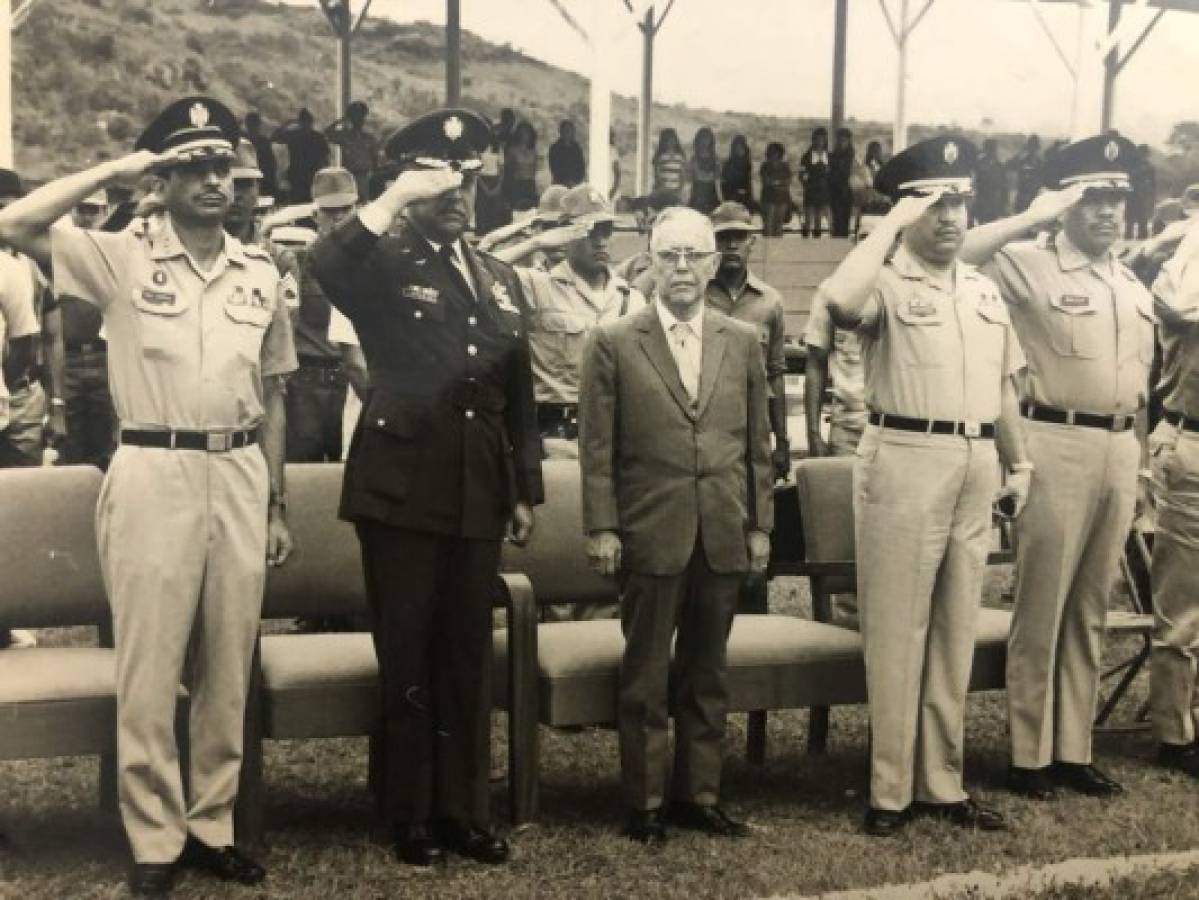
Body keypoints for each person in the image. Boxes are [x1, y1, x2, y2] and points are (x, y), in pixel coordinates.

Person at [0, 96, 296, 897]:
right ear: (161, 178)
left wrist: (274, 503)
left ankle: (211, 824)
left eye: (220, 164)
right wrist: (119, 170)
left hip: (236, 472)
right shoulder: (123, 257)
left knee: (228, 661)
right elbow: (14, 223)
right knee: (151, 661)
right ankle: (155, 837)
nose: (210, 179)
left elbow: (273, 392)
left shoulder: (262, 270)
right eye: (188, 165)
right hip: (152, 467)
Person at [308, 107, 543, 868]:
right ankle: (408, 814)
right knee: (406, 654)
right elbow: (326, 265)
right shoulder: (382, 257)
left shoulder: (499, 277)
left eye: (467, 179)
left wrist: (522, 487)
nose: (456, 193)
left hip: (477, 486)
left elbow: (518, 395)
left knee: (465, 655)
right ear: (408, 182)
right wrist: (391, 203)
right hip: (403, 489)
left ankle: (463, 811)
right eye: (439, 179)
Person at [823, 135, 1031, 837]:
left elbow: (1002, 388)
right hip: (905, 454)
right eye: (933, 204)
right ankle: (889, 791)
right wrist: (885, 226)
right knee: (895, 626)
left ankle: (942, 784)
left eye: (959, 203)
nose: (950, 218)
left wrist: (1019, 463)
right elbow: (838, 302)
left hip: (974, 463)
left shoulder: (980, 287)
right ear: (908, 212)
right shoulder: (883, 278)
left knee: (952, 629)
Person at [961, 135, 1151, 803]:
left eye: (1116, 199)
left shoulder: (1126, 278)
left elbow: (1138, 380)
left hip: (1119, 448)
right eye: (1092, 199)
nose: (1107, 213)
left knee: (1090, 606)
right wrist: (1031, 215)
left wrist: (1140, 454)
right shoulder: (1026, 263)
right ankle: (1026, 754)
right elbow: (959, 254)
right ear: (1066, 203)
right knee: (1042, 603)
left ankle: (1072, 749)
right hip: (1052, 441)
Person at [579, 206, 773, 846]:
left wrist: (759, 526)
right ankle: (646, 802)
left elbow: (757, 447)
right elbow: (598, 448)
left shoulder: (741, 340)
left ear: (715, 263)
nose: (683, 268)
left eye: (695, 255)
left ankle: (701, 796)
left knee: (708, 671)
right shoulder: (613, 342)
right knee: (646, 675)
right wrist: (603, 528)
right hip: (649, 531)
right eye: (670, 256)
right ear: (650, 263)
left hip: (721, 528)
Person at [499, 183, 645, 459]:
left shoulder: (631, 299)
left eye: (606, 231)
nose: (600, 241)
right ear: (565, 236)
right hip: (553, 440)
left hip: (614, 442)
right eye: (589, 231)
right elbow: (476, 270)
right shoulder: (538, 287)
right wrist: (536, 242)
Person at [1147, 219, 1199, 778]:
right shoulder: (1183, 266)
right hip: (1191, 438)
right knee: (1184, 601)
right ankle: (1174, 733)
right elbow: (1182, 308)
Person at [284, 166, 360, 465]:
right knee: (306, 478)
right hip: (308, 385)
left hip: (354, 383)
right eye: (330, 211)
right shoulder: (299, 263)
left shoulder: (374, 261)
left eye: (346, 209)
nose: (339, 217)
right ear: (315, 215)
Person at [58, 189, 118, 470]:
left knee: (106, 443)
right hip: (67, 358)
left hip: (105, 356)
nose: (86, 217)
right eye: (81, 209)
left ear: (105, 213)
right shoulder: (56, 252)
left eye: (93, 210)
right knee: (70, 445)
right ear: (72, 212)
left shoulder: (116, 251)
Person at [272, 108, 330, 203]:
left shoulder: (295, 135)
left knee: (308, 203)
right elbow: (274, 138)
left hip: (308, 175)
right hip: (300, 175)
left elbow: (325, 158)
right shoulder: (297, 135)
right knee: (303, 203)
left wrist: (287, 124)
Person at [325, 100, 380, 202]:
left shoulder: (368, 138)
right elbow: (327, 133)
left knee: (365, 205)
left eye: (360, 117)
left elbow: (374, 158)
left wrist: (374, 175)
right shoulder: (344, 136)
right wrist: (342, 120)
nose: (359, 120)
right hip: (348, 175)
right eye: (355, 117)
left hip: (364, 176)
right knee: (348, 202)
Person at [800, 127, 832, 238]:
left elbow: (831, 175)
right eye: (817, 139)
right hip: (811, 192)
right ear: (813, 140)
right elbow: (802, 175)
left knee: (819, 220)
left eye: (822, 139)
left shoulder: (829, 156)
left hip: (824, 192)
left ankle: (816, 245)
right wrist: (807, 184)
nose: (820, 142)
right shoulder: (806, 157)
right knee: (808, 220)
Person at [758, 142, 793, 238]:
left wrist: (775, 183)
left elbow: (788, 181)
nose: (774, 154)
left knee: (779, 226)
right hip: (768, 199)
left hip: (782, 199)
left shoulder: (785, 166)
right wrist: (780, 183)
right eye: (772, 152)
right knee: (768, 226)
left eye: (776, 152)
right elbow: (766, 181)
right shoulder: (765, 166)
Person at [243, 112, 279, 200]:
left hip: (252, 179)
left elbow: (271, 164)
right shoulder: (263, 141)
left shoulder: (241, 140)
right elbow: (271, 164)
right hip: (259, 179)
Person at [504, 121, 539, 211]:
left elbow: (535, 170)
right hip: (517, 185)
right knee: (517, 211)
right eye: (522, 133)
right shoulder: (512, 150)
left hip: (530, 185)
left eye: (527, 133)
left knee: (531, 211)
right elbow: (507, 172)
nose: (525, 136)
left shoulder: (533, 151)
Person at [973, 139, 1009, 225]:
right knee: (981, 225)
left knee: (991, 225)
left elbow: (1004, 187)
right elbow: (974, 182)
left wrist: (1003, 205)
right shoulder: (979, 163)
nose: (992, 151)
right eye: (990, 149)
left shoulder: (999, 165)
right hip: (983, 200)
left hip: (993, 202)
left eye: (992, 149)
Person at [828, 127, 855, 238]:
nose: (841, 143)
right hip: (835, 190)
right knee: (837, 219)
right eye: (839, 140)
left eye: (843, 140)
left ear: (848, 141)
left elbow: (843, 172)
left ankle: (841, 240)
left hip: (845, 191)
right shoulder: (834, 155)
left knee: (843, 220)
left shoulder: (849, 156)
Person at [688, 127, 721, 214]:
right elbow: (695, 176)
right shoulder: (694, 158)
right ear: (698, 140)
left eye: (708, 138)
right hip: (697, 194)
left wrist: (721, 199)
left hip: (711, 194)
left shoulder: (715, 158)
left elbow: (717, 178)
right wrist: (709, 176)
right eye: (703, 138)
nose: (705, 141)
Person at [1126, 144, 1155, 241]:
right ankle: (1135, 234)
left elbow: (1152, 180)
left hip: (1138, 192)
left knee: (1137, 214)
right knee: (1135, 214)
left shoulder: (1146, 165)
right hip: (1135, 192)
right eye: (1145, 153)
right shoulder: (1141, 164)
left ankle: (1138, 234)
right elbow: (1152, 180)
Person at [652, 128, 687, 206]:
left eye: (672, 140)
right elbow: (657, 176)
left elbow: (683, 176)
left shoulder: (680, 157)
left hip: (676, 193)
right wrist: (662, 190)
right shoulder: (660, 157)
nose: (670, 142)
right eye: (667, 140)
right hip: (662, 192)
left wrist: (679, 191)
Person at [548, 120, 586, 189]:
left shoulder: (577, 148)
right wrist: (565, 181)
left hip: (575, 184)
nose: (567, 132)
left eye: (570, 130)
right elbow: (554, 167)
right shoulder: (555, 148)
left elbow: (581, 166)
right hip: (559, 184)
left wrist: (575, 181)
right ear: (561, 131)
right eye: (565, 130)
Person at [720, 134, 754, 212]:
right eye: (737, 148)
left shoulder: (747, 164)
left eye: (741, 147)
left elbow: (748, 183)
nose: (739, 150)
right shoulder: (728, 164)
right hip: (731, 198)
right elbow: (724, 183)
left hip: (745, 199)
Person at [1012, 134, 1043, 214]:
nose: (1032, 149)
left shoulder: (1040, 162)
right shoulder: (1022, 161)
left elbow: (1042, 180)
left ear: (1037, 148)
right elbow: (1009, 165)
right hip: (1022, 197)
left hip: (1034, 197)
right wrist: (1019, 153)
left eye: (1034, 146)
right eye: (1030, 146)